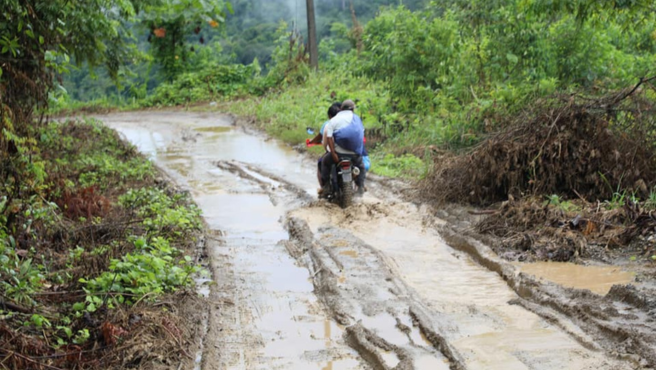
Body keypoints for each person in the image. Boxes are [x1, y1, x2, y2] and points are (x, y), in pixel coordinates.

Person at [320, 99, 366, 197]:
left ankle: (326, 186)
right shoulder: (357, 119)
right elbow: (361, 135)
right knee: (361, 166)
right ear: (353, 109)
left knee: (324, 162)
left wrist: (333, 153)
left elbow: (329, 138)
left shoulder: (334, 120)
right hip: (354, 154)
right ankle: (361, 187)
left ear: (341, 109)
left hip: (338, 154)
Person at [308, 102, 342, 192]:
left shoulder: (328, 124)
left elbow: (324, 140)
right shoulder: (348, 122)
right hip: (350, 152)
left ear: (330, 115)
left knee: (321, 162)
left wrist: (311, 142)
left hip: (334, 152)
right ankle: (360, 184)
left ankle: (325, 186)